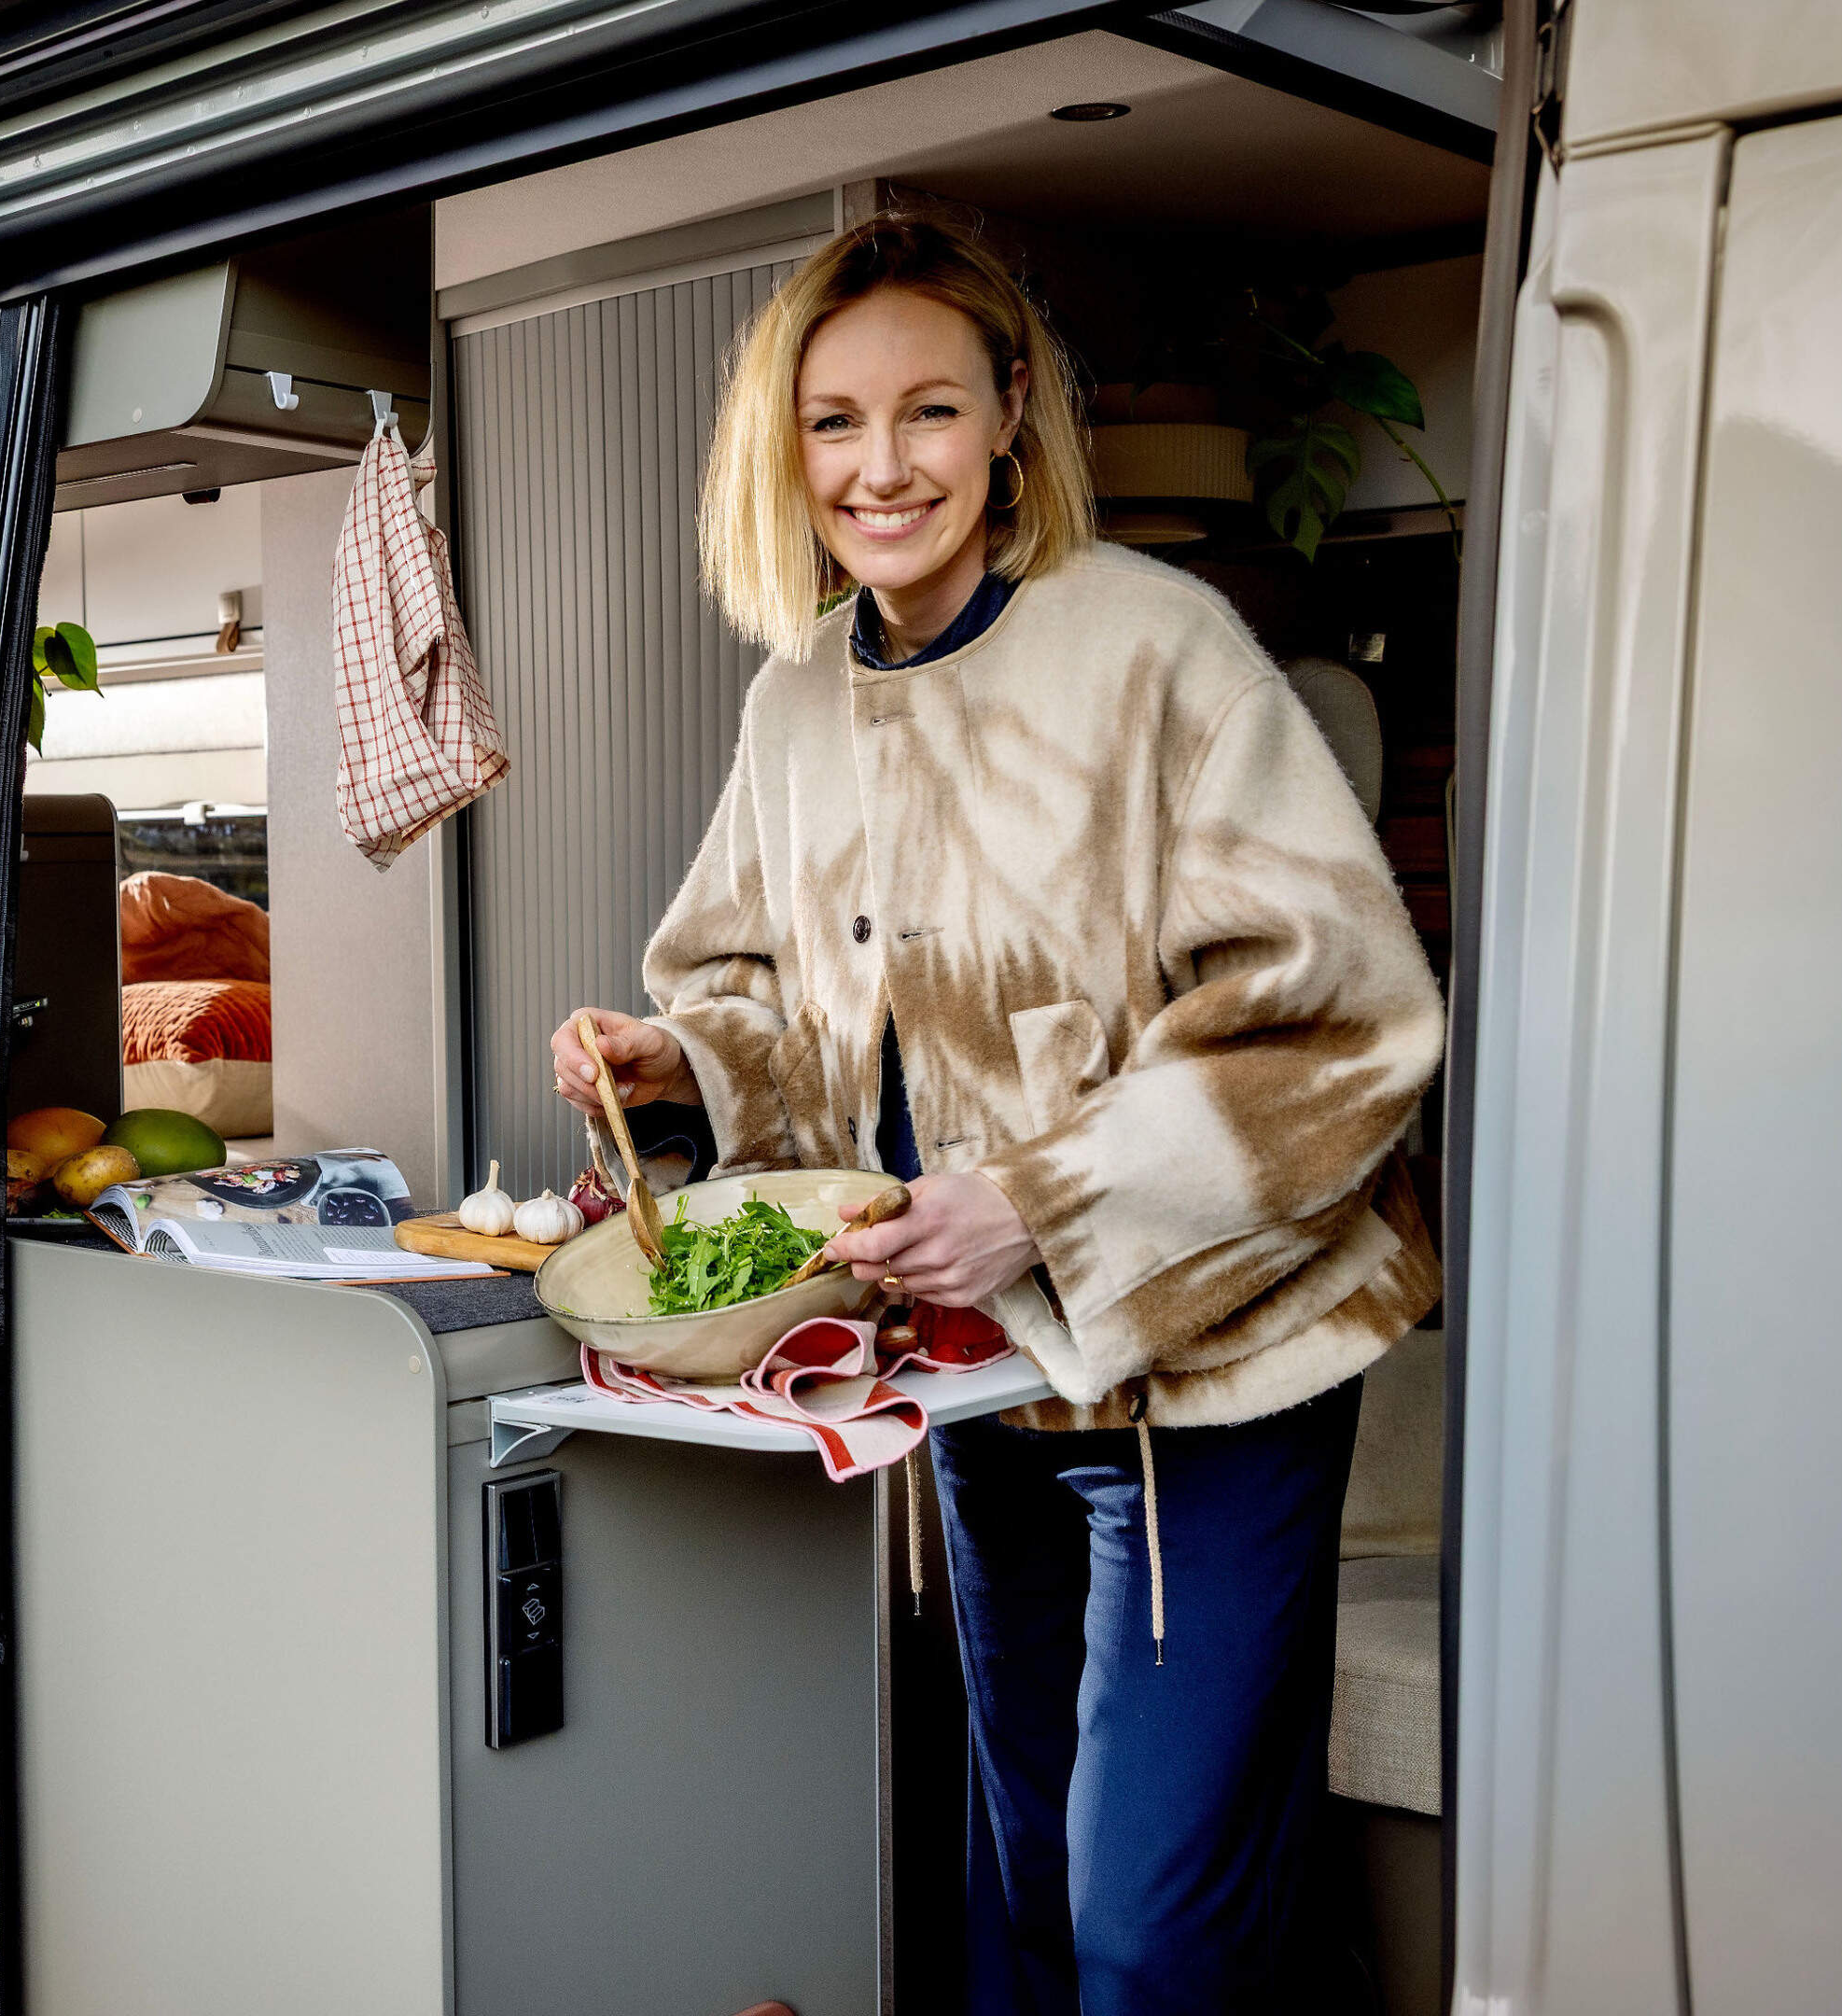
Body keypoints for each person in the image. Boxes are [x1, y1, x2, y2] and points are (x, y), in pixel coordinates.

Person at [549, 213, 1442, 2014]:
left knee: (1148, 1927)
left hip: (1216, 1373)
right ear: (782, 452)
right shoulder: (794, 698)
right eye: (834, 425)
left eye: (930, 412)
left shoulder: (1156, 649)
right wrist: (686, 1065)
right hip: (969, 1372)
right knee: (1028, 1875)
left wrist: (1039, 1201)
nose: (884, 469)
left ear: (1012, 413)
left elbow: (1342, 1019)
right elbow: (783, 1021)